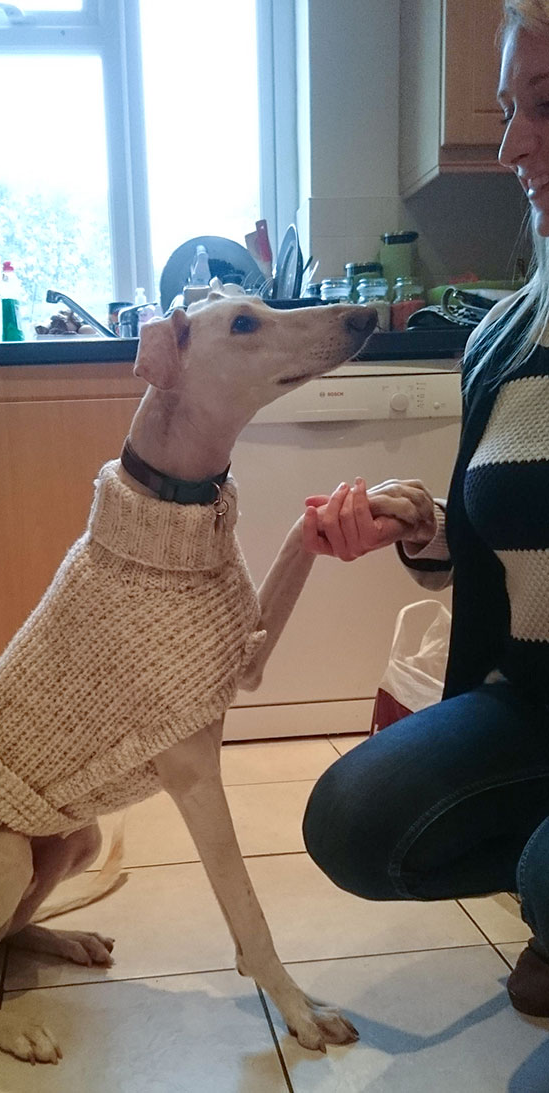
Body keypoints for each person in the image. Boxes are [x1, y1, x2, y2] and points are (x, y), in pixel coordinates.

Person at [300, 0, 549, 1019]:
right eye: (508, 110)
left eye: (544, 104)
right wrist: (423, 525)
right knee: (350, 819)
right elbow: (503, 543)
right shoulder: (507, 338)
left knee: (546, 878)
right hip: (535, 699)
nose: (511, 146)